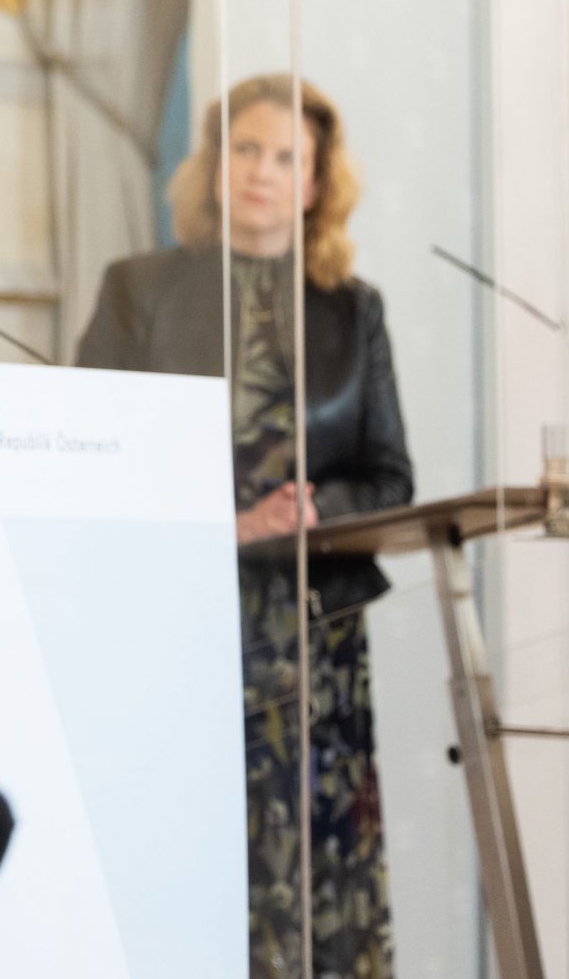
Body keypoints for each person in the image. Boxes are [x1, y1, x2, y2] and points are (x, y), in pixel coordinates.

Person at [75, 73, 408, 978]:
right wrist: (230, 526)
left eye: (287, 157)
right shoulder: (139, 289)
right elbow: (87, 465)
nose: (262, 171)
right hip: (180, 627)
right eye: (246, 148)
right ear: (215, 164)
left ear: (317, 183)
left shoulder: (355, 309)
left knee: (316, 875)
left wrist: (307, 512)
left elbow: (390, 479)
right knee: (187, 873)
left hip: (315, 640)